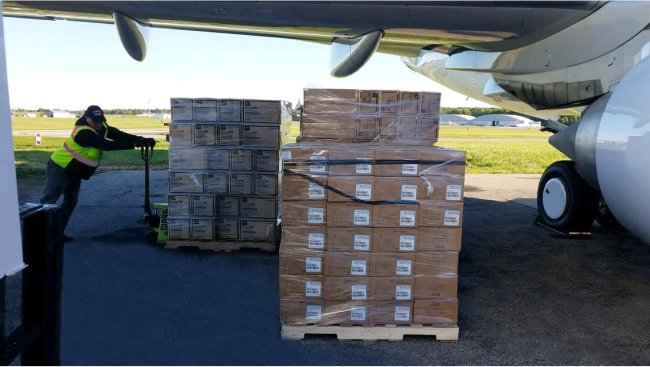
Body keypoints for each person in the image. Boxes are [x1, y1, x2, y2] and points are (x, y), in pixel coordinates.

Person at [41, 105, 156, 242]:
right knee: (48, 202)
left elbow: (117, 134)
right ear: (87, 118)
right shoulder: (82, 132)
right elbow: (106, 145)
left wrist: (140, 139)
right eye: (95, 121)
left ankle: (57, 233)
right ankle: (38, 234)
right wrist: (134, 145)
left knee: (70, 202)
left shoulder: (101, 126)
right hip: (60, 168)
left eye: (100, 120)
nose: (98, 124)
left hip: (75, 172)